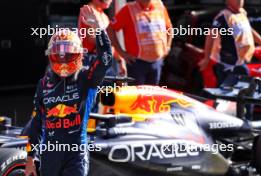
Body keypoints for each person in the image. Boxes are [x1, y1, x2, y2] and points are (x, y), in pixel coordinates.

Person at [24, 6, 112, 176]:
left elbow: (105, 60)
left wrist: (98, 30)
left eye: (68, 54)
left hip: (76, 153)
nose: (63, 60)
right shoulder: (43, 84)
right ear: (51, 56)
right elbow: (36, 124)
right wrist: (30, 159)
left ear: (79, 54)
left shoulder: (87, 77)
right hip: (50, 154)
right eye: (59, 55)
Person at [199, 0, 261, 86]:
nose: (240, 1)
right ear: (228, 1)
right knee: (227, 93)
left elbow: (249, 30)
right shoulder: (223, 17)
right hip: (227, 64)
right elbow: (211, 36)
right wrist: (206, 58)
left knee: (244, 91)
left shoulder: (242, 13)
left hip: (241, 62)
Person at [107, 0, 173, 85]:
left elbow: (169, 27)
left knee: (152, 95)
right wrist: (121, 53)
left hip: (157, 62)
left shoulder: (159, 5)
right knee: (138, 96)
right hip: (137, 63)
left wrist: (168, 46)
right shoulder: (128, 9)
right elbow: (110, 28)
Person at [78, 0, 127, 76]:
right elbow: (91, 38)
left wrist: (120, 61)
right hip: (90, 58)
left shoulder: (104, 16)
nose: (111, 1)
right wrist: (108, 41)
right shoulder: (88, 10)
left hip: (103, 59)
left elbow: (110, 42)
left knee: (111, 84)